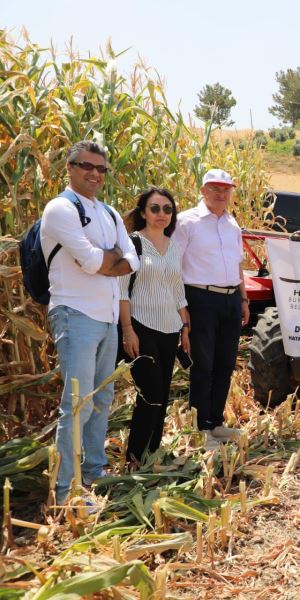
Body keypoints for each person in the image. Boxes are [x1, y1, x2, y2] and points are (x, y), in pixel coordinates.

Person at [42, 141, 139, 502]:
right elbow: (91, 262)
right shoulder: (60, 209)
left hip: (107, 318)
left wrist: (113, 259)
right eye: (86, 166)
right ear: (69, 168)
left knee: (102, 399)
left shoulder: (109, 213)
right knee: (78, 404)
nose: (95, 173)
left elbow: (132, 258)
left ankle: (95, 473)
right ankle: (65, 490)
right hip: (75, 313)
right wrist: (112, 259)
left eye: (101, 168)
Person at [172, 169, 248, 451]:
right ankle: (200, 427)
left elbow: (238, 265)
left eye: (226, 189)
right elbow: (174, 266)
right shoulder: (186, 222)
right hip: (200, 299)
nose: (221, 194)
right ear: (203, 190)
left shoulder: (232, 224)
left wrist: (243, 299)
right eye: (215, 188)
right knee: (203, 365)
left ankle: (215, 422)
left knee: (225, 364)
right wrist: (182, 310)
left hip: (229, 300)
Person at [119, 187, 191, 463]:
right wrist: (127, 330)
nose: (162, 214)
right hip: (140, 326)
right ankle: (135, 456)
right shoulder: (133, 244)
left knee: (162, 394)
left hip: (170, 328)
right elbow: (122, 290)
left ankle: (153, 452)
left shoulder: (174, 247)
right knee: (150, 393)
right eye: (155, 208)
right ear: (143, 213)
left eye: (168, 209)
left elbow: (177, 291)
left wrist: (185, 328)